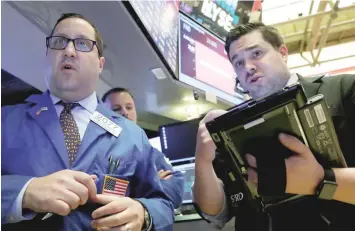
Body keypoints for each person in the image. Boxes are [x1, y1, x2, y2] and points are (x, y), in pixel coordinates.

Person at [2, 13, 175, 231]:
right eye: (59, 42)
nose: (69, 50)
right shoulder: (5, 121)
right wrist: (22, 192)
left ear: (100, 64)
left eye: (82, 43)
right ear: (48, 55)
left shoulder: (132, 135)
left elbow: (164, 203)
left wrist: (144, 213)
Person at [193, 22, 355, 231]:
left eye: (257, 53)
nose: (248, 67)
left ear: (283, 53)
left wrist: (322, 180)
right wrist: (203, 159)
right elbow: (215, 213)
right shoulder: (229, 129)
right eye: (238, 63)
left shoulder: (344, 90)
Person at [101, 87, 185, 208]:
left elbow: (176, 192)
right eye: (116, 109)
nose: (125, 112)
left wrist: (133, 191)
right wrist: (152, 183)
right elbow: (103, 194)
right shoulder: (99, 150)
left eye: (129, 107)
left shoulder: (152, 153)